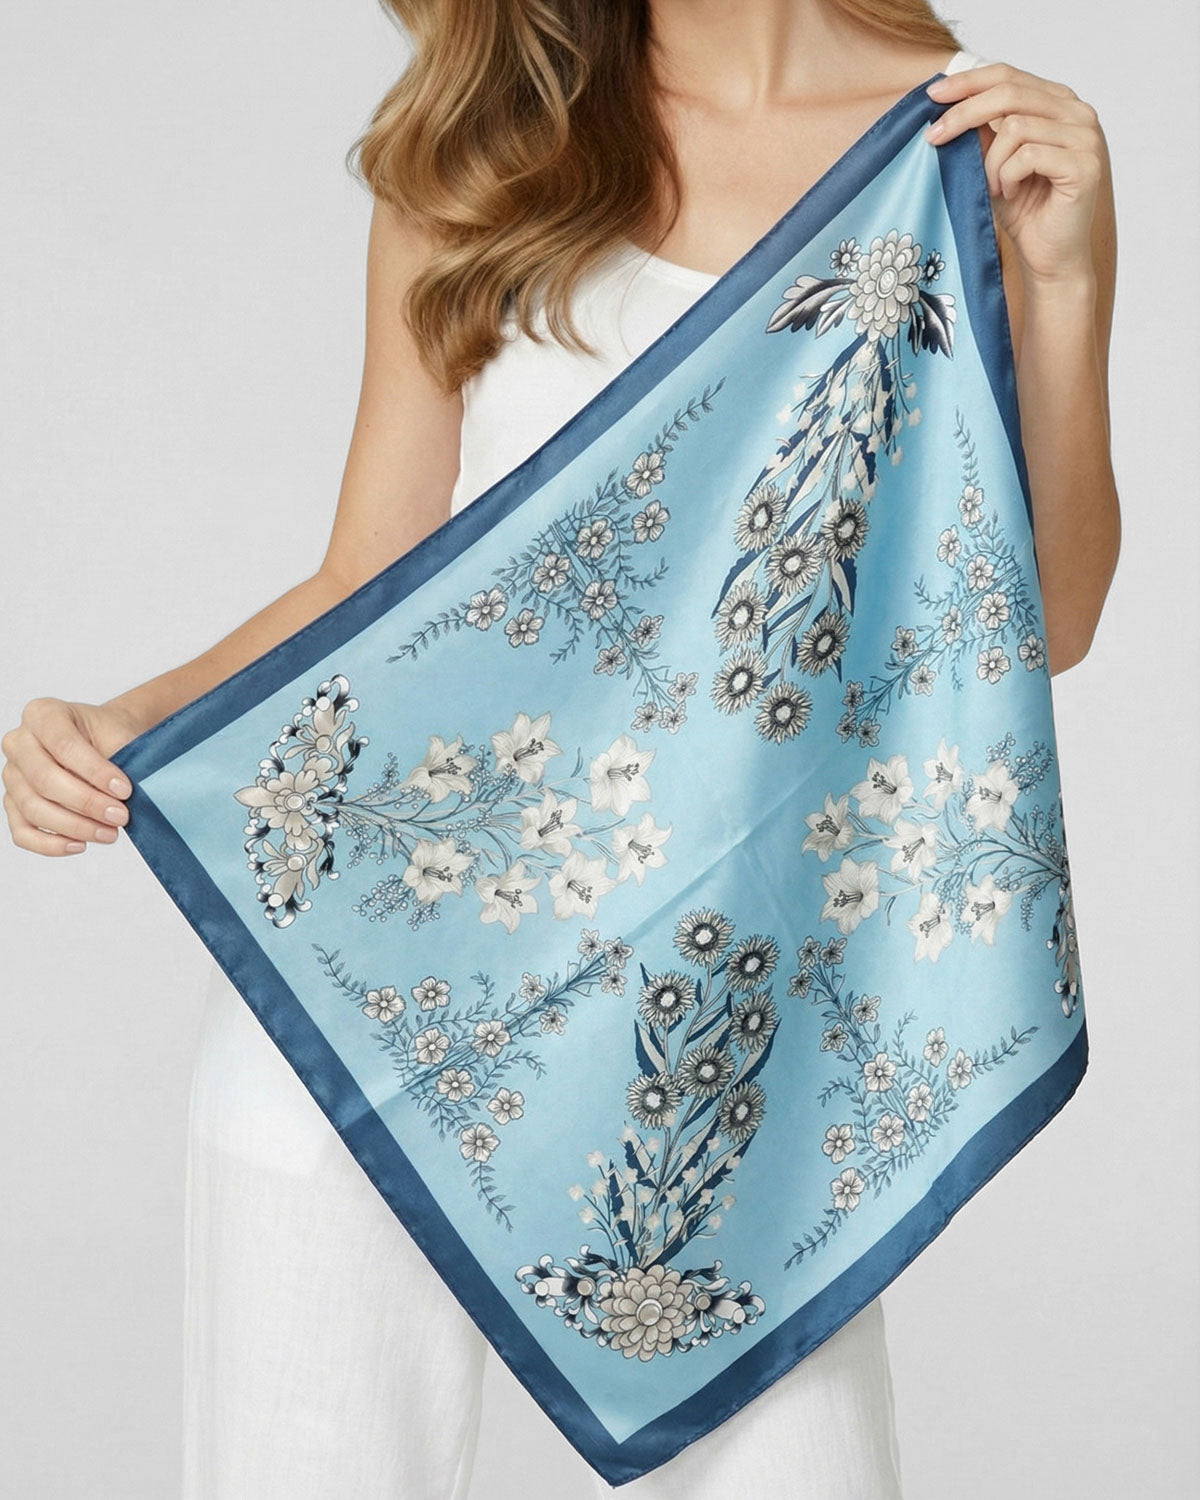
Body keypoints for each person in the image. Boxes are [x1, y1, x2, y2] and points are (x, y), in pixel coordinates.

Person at [2, 2, 1120, 1495]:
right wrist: (131, 718)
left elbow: (1041, 620)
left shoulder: (966, 150)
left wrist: (1066, 281)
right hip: (386, 1011)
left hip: (723, 1067)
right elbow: (368, 575)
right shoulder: (487, 148)